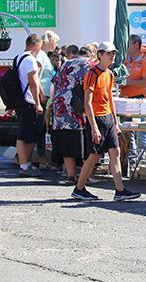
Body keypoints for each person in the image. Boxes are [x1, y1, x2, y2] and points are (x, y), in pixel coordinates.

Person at [72, 41, 140, 201]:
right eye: (109, 53)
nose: (112, 56)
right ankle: (79, 188)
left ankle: (120, 190)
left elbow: (109, 98)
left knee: (115, 152)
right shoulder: (92, 74)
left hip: (108, 117)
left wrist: (115, 121)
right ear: (100, 55)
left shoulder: (109, 74)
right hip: (96, 118)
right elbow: (87, 102)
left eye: (113, 53)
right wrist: (94, 127)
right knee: (94, 155)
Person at [51, 45, 91, 186]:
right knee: (86, 143)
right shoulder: (88, 65)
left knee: (68, 143)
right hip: (78, 107)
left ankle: (70, 176)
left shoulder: (66, 63)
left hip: (61, 107)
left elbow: (55, 84)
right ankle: (85, 177)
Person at [120, 34, 146, 163]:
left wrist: (128, 82)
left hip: (138, 100)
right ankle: (129, 158)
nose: (126, 46)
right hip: (124, 100)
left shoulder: (145, 62)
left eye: (128, 43)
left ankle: (143, 157)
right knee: (127, 131)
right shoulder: (125, 61)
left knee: (141, 130)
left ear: (136, 45)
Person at [15, 34, 44, 177]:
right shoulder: (31, 60)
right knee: (25, 134)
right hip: (29, 101)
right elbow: (33, 82)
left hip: (20, 101)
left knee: (27, 133)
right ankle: (25, 166)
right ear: (36, 45)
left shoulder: (18, 58)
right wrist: (38, 103)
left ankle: (25, 164)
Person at [33, 30, 59, 169]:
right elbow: (36, 75)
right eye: (55, 40)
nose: (56, 44)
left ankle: (41, 158)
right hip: (42, 96)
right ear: (49, 40)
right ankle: (42, 159)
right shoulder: (41, 56)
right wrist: (42, 94)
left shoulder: (44, 56)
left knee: (42, 127)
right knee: (40, 127)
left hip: (45, 96)